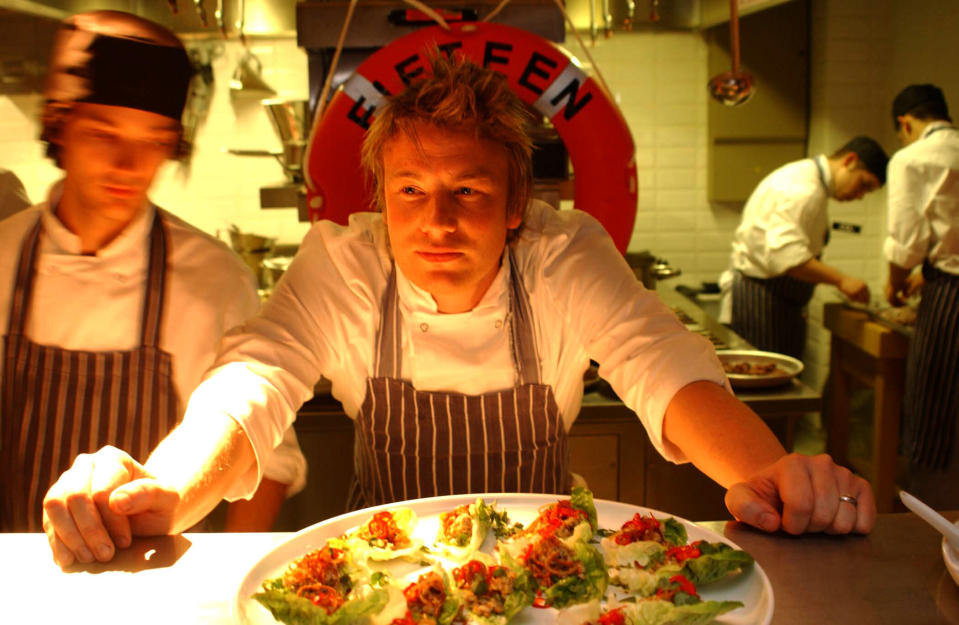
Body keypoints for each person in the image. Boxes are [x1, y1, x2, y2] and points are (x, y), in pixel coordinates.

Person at [42, 53, 876, 569]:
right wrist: (165, 485)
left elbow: (660, 364)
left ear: (516, 202)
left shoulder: (561, 253)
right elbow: (252, 380)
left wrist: (763, 473)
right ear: (381, 198)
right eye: (411, 191)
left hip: (552, 570)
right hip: (381, 574)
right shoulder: (343, 262)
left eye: (467, 191)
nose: (436, 221)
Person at [0, 10, 305, 538]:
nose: (128, 164)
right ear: (59, 126)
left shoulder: (212, 279)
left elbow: (270, 462)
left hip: (165, 590)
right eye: (103, 133)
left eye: (153, 140)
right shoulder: (4, 260)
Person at [718, 137, 889, 359]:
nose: (859, 196)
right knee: (769, 383)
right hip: (764, 300)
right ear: (850, 160)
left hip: (776, 299)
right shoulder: (804, 189)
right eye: (863, 185)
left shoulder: (807, 178)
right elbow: (787, 257)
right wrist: (842, 280)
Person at [884, 84, 959, 508]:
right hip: (941, 279)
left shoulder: (912, 158)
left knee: (935, 407)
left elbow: (907, 241)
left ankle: (930, 517)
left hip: (950, 299)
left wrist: (895, 282)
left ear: (906, 123)